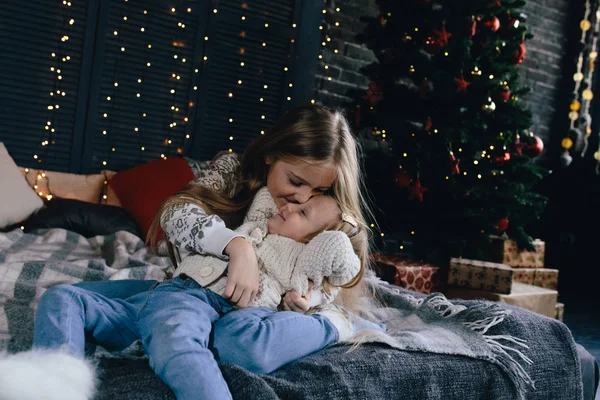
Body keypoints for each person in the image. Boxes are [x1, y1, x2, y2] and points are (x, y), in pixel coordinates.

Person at [8, 105, 383, 400]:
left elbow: (332, 266)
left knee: (177, 334)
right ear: (270, 155)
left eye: (314, 194)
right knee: (62, 299)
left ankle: (334, 328)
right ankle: (55, 387)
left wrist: (308, 304)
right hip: (183, 288)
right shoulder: (233, 170)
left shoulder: (321, 220)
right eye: (296, 181)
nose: (299, 198)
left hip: (228, 308)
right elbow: (175, 214)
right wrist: (238, 247)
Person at [176, 186, 363, 311]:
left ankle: (337, 329)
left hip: (243, 310)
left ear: (315, 243)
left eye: (303, 212)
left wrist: (310, 299)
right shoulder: (262, 223)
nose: (289, 206)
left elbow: (329, 284)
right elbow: (266, 194)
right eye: (298, 204)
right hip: (194, 284)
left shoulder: (302, 263)